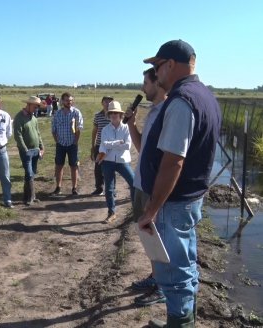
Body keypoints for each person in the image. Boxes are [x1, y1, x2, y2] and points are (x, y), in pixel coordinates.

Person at [139, 40, 221, 328]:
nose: (155, 73)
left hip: (173, 202)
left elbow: (174, 161)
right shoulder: (205, 96)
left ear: (171, 64)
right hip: (189, 198)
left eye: (157, 66)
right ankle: (184, 319)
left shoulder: (181, 101)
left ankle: (180, 323)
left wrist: (152, 207)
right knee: (185, 263)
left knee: (173, 273)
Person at [127, 68, 167, 307]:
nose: (143, 88)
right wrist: (131, 124)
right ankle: (155, 277)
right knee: (148, 236)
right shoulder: (152, 112)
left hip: (153, 186)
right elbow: (142, 147)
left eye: (145, 83)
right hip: (140, 183)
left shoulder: (167, 112)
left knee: (158, 235)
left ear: (157, 82)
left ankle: (163, 286)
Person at [98, 101, 134, 222]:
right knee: (109, 188)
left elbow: (127, 146)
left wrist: (110, 144)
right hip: (107, 161)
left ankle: (137, 211)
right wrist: (119, 143)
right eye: (111, 113)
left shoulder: (126, 128)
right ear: (109, 115)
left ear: (120, 114)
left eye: (116, 113)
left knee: (134, 183)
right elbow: (103, 145)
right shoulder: (105, 130)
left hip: (123, 161)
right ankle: (111, 213)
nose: (113, 115)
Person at [13, 96, 44, 205]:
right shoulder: (19, 118)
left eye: (37, 107)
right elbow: (18, 136)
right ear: (29, 105)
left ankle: (27, 196)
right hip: (26, 151)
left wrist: (41, 146)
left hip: (36, 150)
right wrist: (25, 149)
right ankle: (30, 197)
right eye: (35, 107)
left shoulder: (34, 118)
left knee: (32, 173)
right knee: (29, 173)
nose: (36, 109)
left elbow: (38, 133)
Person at [51, 92, 83, 195]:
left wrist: (75, 142)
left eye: (70, 100)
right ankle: (58, 187)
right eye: (66, 100)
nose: (68, 102)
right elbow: (53, 129)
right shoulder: (57, 114)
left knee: (74, 166)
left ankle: (74, 188)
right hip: (60, 144)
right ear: (62, 101)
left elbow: (79, 128)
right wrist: (57, 141)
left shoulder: (76, 113)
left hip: (72, 144)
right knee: (59, 166)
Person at [90, 96, 113, 195]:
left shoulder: (114, 115)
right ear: (102, 103)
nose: (107, 103)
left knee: (111, 168)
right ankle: (99, 188)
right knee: (98, 168)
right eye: (105, 101)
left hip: (111, 146)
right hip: (99, 145)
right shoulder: (98, 116)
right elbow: (95, 131)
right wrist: (93, 145)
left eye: (110, 102)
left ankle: (112, 189)